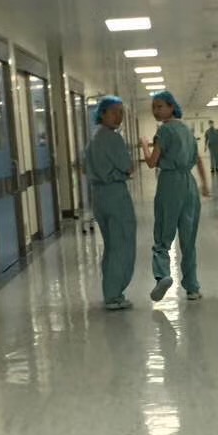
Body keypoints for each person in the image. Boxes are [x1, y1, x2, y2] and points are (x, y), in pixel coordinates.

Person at [140, 90, 209, 303]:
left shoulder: (164, 131)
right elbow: (198, 159)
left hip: (170, 184)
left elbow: (152, 162)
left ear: (172, 107)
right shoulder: (187, 130)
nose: (156, 110)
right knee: (188, 239)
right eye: (153, 107)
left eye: (160, 106)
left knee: (163, 234)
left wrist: (144, 146)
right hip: (189, 185)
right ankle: (192, 287)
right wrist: (205, 183)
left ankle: (162, 276)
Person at [85, 96, 136, 311]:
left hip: (99, 197)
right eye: (114, 112)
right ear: (102, 113)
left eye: (121, 112)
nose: (118, 116)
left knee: (111, 245)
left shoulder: (94, 140)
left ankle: (110, 290)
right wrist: (124, 171)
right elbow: (128, 166)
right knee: (121, 245)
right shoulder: (114, 139)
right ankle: (114, 295)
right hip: (115, 195)